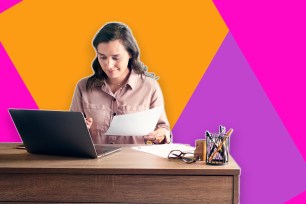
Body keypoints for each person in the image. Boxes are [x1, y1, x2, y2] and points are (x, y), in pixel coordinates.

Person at [70, 22, 171, 144]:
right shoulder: (83, 87)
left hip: (135, 161)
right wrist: (78, 130)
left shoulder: (150, 87)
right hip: (94, 162)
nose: (109, 65)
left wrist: (160, 134)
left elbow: (163, 128)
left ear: (130, 54)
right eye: (102, 57)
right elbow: (71, 133)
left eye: (116, 58)